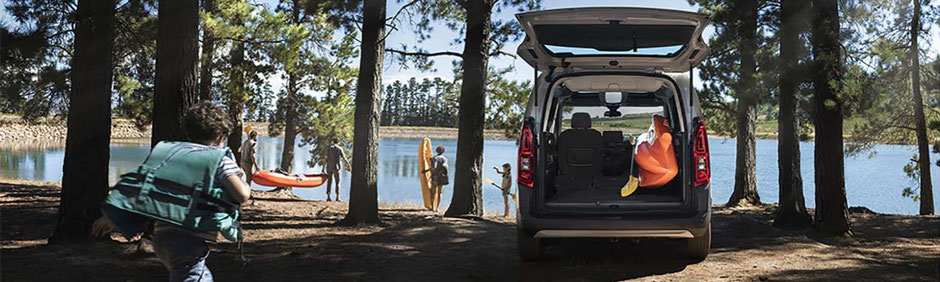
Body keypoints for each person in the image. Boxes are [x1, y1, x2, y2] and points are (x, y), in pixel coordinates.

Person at [92, 101, 251, 282]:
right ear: (222, 137)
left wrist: (112, 217)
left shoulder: (174, 156)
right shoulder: (220, 160)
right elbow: (242, 195)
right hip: (189, 241)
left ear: (188, 132)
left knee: (201, 277)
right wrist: (244, 182)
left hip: (162, 237)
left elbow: (142, 188)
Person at [423, 145, 448, 212]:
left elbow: (433, 168)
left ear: (436, 151)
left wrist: (425, 171)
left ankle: (432, 207)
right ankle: (437, 208)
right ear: (443, 152)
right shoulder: (445, 159)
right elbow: (445, 167)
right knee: (439, 193)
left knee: (433, 193)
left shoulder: (434, 158)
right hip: (441, 177)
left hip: (435, 176)